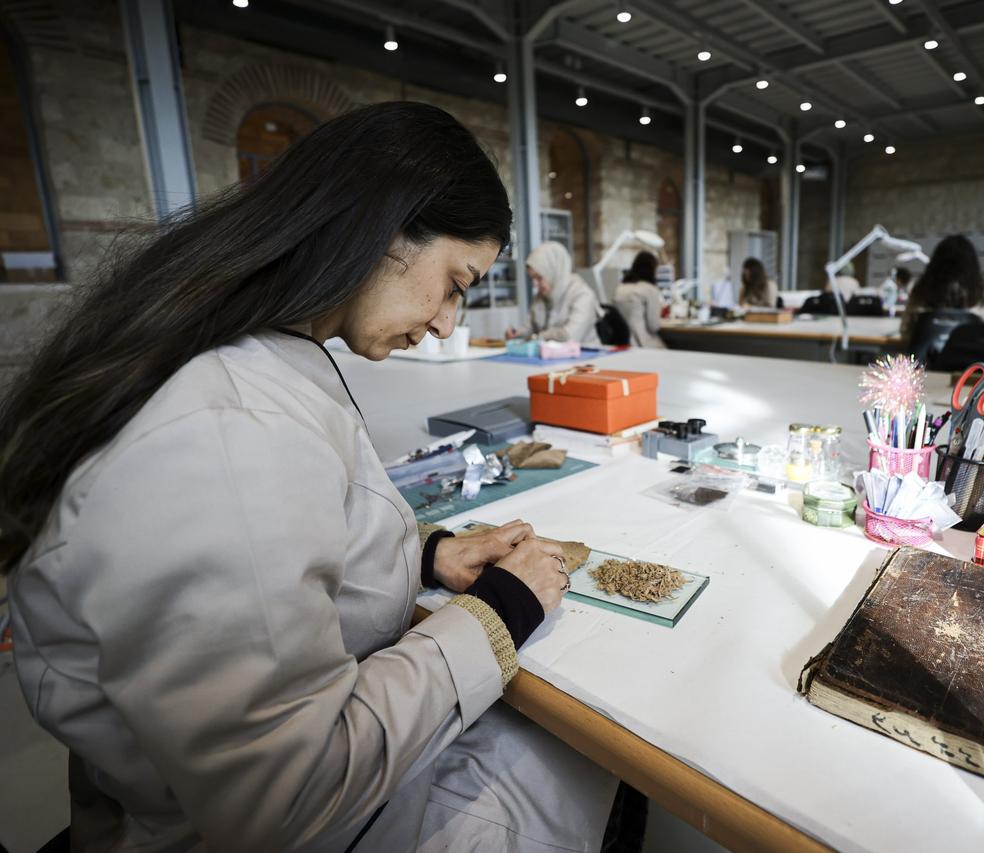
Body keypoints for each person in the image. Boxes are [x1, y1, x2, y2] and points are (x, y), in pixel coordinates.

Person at [0, 102, 619, 852]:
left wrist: (423, 554)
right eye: (455, 282)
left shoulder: (254, 361)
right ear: (385, 227)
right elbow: (287, 796)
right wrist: (502, 612)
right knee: (587, 758)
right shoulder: (223, 431)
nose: (449, 323)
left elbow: (285, 546)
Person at [899, 234, 984, 339]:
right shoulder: (982, 294)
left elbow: (905, 331)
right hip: (973, 355)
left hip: (931, 355)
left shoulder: (920, 292)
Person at [505, 240, 602, 345]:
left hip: (585, 356)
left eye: (539, 277)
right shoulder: (542, 295)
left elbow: (569, 336)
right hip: (551, 356)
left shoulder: (583, 295)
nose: (535, 285)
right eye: (532, 278)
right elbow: (531, 327)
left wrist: (539, 336)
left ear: (554, 271)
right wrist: (518, 333)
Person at [613, 250, 666, 348]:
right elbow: (653, 326)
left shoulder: (620, 288)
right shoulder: (649, 289)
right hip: (642, 343)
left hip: (621, 344)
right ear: (653, 269)